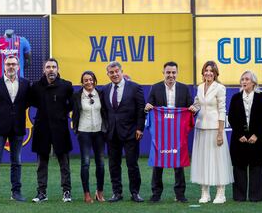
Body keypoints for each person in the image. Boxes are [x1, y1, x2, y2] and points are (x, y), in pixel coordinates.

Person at [0, 55, 30, 203]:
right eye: (8, 64)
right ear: (4, 66)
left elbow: (27, 103)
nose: (11, 67)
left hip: (17, 127)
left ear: (18, 66)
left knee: (16, 161)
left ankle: (16, 192)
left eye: (14, 64)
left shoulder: (25, 83)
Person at [144, 61, 193, 203]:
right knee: (158, 162)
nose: (171, 75)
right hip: (161, 133)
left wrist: (193, 108)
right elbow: (149, 106)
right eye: (168, 72)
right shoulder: (155, 87)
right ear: (163, 73)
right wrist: (147, 107)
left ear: (177, 73)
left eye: (173, 72)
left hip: (177, 132)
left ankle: (180, 194)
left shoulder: (184, 89)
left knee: (178, 163)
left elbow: (190, 106)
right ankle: (156, 194)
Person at [30, 58, 74, 203]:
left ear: (58, 69)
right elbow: (33, 103)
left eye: (53, 67)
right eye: (48, 67)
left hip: (60, 129)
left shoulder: (66, 86)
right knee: (42, 164)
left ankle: (66, 192)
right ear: (44, 70)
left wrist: (61, 114)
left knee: (64, 163)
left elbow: (72, 105)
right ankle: (41, 192)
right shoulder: (36, 86)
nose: (51, 70)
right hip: (42, 128)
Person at [189, 61, 233, 204]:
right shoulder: (200, 87)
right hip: (200, 129)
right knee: (202, 161)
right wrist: (193, 107)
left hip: (215, 130)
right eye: (206, 70)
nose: (208, 73)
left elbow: (222, 110)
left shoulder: (220, 88)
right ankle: (205, 193)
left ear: (215, 73)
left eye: (211, 71)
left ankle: (221, 193)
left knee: (218, 161)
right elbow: (197, 104)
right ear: (203, 72)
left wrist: (220, 133)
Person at [102, 61, 145, 203]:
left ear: (121, 71)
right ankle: (117, 193)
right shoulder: (105, 89)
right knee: (114, 164)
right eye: (111, 72)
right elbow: (104, 111)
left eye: (116, 71)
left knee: (132, 164)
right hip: (112, 133)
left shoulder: (135, 87)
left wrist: (140, 128)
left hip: (131, 132)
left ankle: (135, 193)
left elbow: (141, 109)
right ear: (108, 74)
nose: (114, 74)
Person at [228, 70, 262, 202]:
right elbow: (232, 117)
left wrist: (256, 134)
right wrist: (240, 134)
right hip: (239, 138)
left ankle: (255, 196)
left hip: (256, 139)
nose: (244, 82)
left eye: (247, 79)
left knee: (256, 166)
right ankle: (239, 196)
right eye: (243, 79)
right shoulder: (235, 97)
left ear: (254, 83)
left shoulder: (261, 97)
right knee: (239, 167)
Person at [72, 71, 107, 203]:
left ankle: (99, 192)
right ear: (82, 82)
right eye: (86, 80)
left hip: (99, 132)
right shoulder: (76, 96)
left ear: (95, 80)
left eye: (91, 79)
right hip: (84, 132)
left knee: (101, 163)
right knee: (85, 163)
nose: (89, 82)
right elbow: (73, 112)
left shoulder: (101, 94)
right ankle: (86, 194)